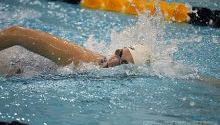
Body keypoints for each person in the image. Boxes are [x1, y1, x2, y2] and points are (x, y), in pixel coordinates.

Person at [0, 26, 152, 75]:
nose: (112, 61)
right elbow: (16, 33)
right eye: (118, 53)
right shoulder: (85, 60)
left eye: (123, 63)